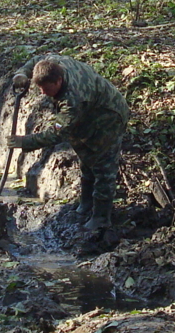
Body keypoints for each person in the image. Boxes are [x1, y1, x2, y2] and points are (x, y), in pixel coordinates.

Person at [8, 54, 129, 236]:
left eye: (46, 89)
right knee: (86, 160)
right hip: (88, 117)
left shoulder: (73, 99)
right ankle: (86, 203)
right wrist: (22, 73)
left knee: (103, 167)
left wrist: (24, 141)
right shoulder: (54, 62)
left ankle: (101, 217)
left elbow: (56, 133)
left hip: (108, 118)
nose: (42, 93)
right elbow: (36, 61)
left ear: (58, 81)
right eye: (39, 87)